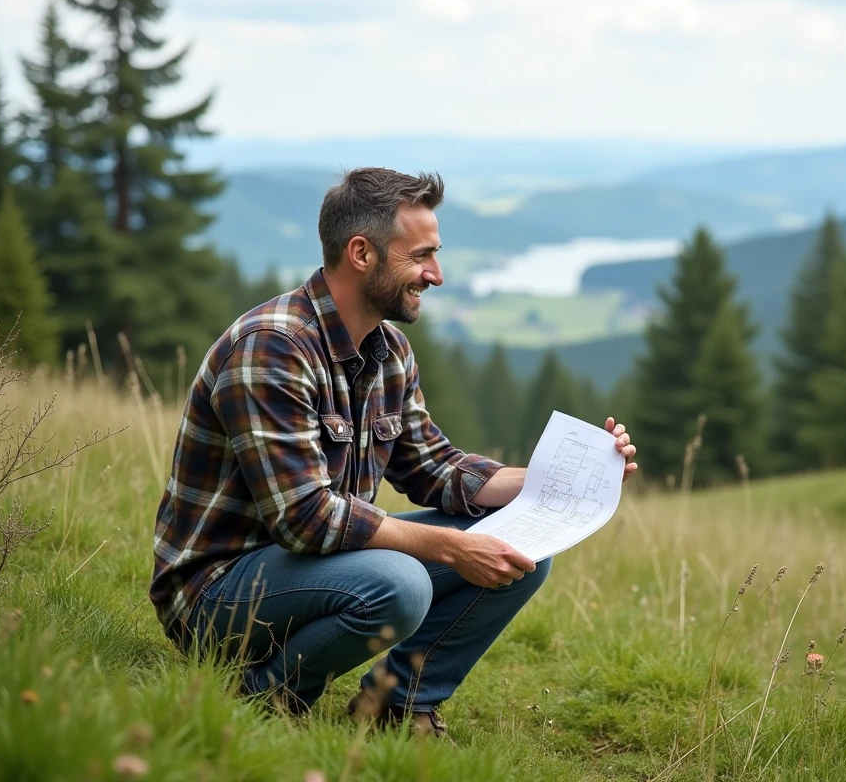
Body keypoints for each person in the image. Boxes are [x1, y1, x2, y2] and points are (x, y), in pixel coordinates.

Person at [149, 167, 639, 738]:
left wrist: (565, 479)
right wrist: (453, 548)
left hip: (314, 568)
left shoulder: (390, 350)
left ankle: (396, 704)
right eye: (421, 256)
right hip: (217, 593)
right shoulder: (273, 348)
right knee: (400, 585)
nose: (436, 274)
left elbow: (433, 468)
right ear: (362, 253)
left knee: (518, 550)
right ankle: (264, 696)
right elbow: (305, 519)